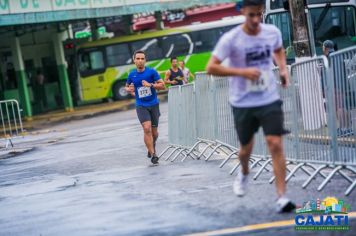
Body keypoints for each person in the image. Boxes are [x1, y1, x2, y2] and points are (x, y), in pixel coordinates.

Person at [206, 0, 295, 213]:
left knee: (275, 143)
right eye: (251, 15)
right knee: (246, 149)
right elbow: (211, 67)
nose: (256, 20)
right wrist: (242, 72)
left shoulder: (271, 32)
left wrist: (283, 69)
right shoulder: (231, 39)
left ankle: (281, 197)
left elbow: (279, 50)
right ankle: (244, 172)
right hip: (242, 102)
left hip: (268, 97)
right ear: (242, 11)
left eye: (259, 14)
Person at [125, 50, 165, 164]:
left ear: (145, 60)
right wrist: (129, 89)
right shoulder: (131, 74)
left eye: (142, 58)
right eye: (138, 58)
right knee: (146, 128)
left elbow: (163, 85)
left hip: (153, 104)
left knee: (155, 133)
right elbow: (127, 87)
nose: (140, 61)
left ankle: (151, 146)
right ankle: (153, 154)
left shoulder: (151, 72)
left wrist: (150, 85)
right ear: (134, 60)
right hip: (141, 105)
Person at [323, 40, 353, 137]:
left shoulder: (329, 58)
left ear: (325, 48)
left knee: (339, 108)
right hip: (343, 85)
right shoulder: (338, 55)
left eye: (323, 47)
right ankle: (348, 128)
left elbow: (330, 73)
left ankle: (344, 128)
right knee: (344, 107)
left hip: (335, 86)